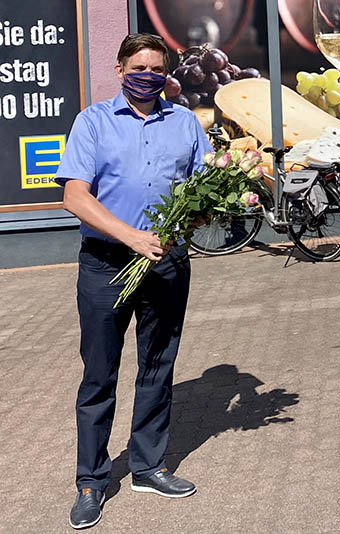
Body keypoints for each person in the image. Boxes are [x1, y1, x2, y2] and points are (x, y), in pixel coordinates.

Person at [56, 34, 212, 529]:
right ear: (120, 69)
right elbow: (75, 197)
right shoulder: (93, 122)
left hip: (165, 266)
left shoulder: (185, 122)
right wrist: (131, 237)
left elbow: (202, 189)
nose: (148, 74)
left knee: (157, 368)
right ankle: (92, 480)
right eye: (138, 66)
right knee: (99, 377)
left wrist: (201, 213)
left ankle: (148, 466)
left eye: (156, 68)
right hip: (105, 265)